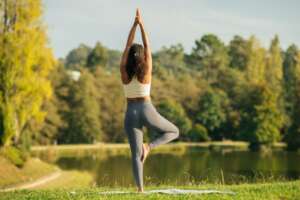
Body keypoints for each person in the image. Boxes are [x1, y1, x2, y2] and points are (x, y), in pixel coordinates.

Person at [120, 8, 180, 192]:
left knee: (135, 154)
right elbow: (147, 46)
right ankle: (150, 147)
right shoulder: (146, 70)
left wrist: (133, 25)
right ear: (143, 57)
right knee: (173, 131)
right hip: (147, 109)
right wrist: (141, 24)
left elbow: (127, 45)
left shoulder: (123, 69)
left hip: (130, 112)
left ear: (128, 56)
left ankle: (140, 191)